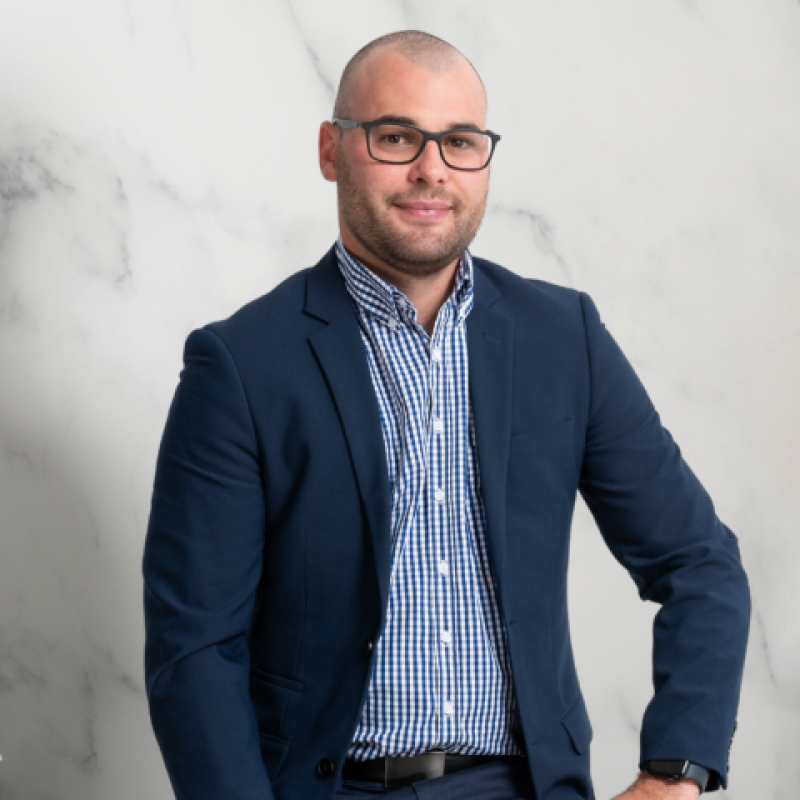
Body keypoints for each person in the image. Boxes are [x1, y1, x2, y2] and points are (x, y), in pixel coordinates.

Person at [143, 30, 750, 800]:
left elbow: (699, 563)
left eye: (460, 142)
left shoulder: (564, 339)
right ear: (332, 150)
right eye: (396, 137)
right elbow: (196, 647)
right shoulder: (240, 366)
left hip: (525, 787)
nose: (432, 169)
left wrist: (674, 774)